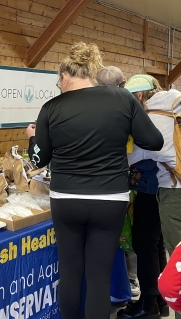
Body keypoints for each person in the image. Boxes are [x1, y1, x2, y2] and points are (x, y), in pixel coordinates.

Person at [25, 42, 164, 319]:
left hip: (67, 199)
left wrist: (32, 137)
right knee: (98, 277)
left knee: (71, 272)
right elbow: (154, 140)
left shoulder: (51, 107)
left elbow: (38, 160)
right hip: (110, 199)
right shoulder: (122, 99)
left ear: (65, 76)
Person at [119, 74, 181, 319]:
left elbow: (131, 157)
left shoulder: (150, 117)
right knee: (159, 246)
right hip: (169, 185)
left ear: (140, 96)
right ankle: (161, 302)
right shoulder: (175, 103)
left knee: (167, 249)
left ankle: (158, 306)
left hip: (169, 188)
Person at [96, 66, 141, 300]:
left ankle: (128, 282)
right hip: (122, 183)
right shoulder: (128, 109)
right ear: (123, 85)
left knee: (120, 235)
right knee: (125, 233)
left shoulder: (90, 108)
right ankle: (129, 282)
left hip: (98, 185)